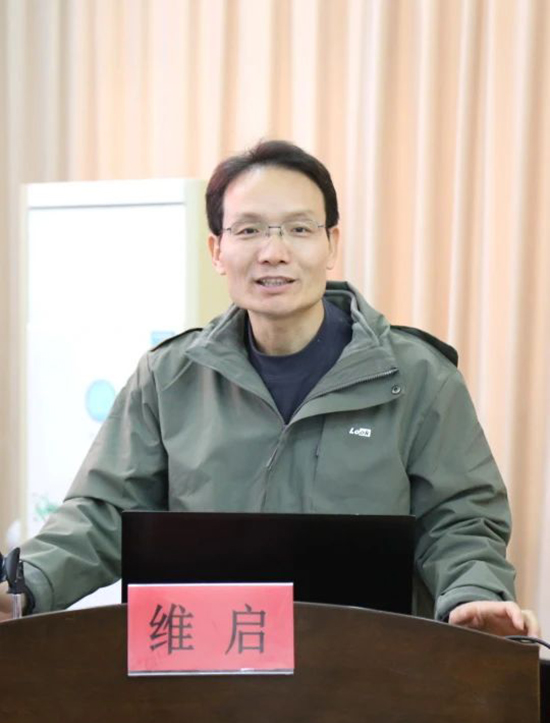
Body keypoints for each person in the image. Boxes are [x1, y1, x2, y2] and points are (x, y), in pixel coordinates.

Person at [0, 141, 539, 635]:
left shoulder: (418, 377)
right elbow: (101, 515)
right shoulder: (169, 379)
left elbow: (460, 519)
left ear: (330, 244)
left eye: (299, 229)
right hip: (205, 664)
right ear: (217, 250)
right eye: (249, 230)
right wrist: (25, 584)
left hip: (368, 670)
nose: (273, 252)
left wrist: (473, 593)